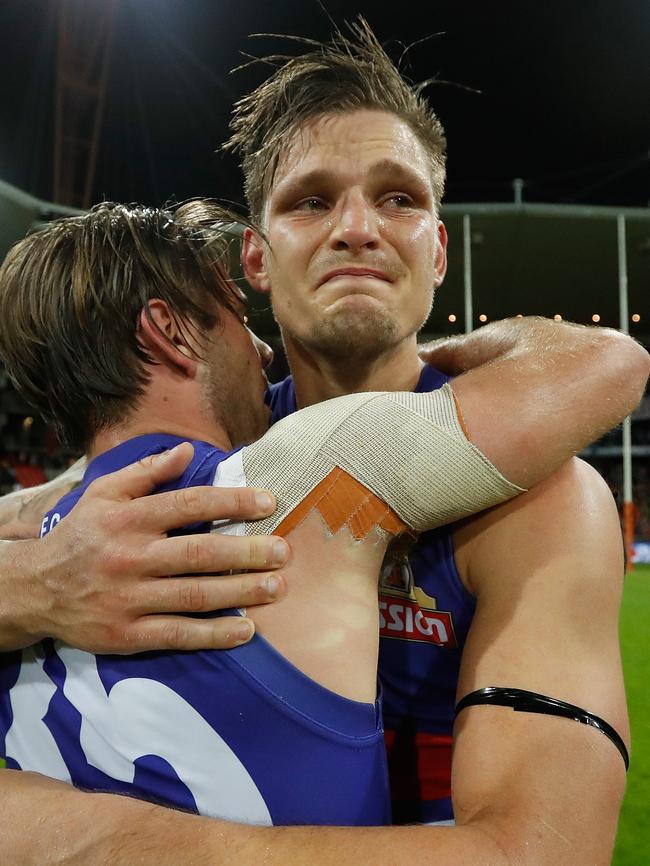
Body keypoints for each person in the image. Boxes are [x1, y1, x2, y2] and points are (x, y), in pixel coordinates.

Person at [0, 17, 648, 866]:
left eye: (400, 199)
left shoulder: (545, 497)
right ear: (256, 260)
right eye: (312, 200)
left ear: (439, 251)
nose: (357, 228)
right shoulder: (178, 470)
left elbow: (545, 850)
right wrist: (30, 582)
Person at [0, 196, 555, 825]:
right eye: (236, 317)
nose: (264, 352)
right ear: (171, 331)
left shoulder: (25, 572)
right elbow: (608, 365)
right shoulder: (295, 477)